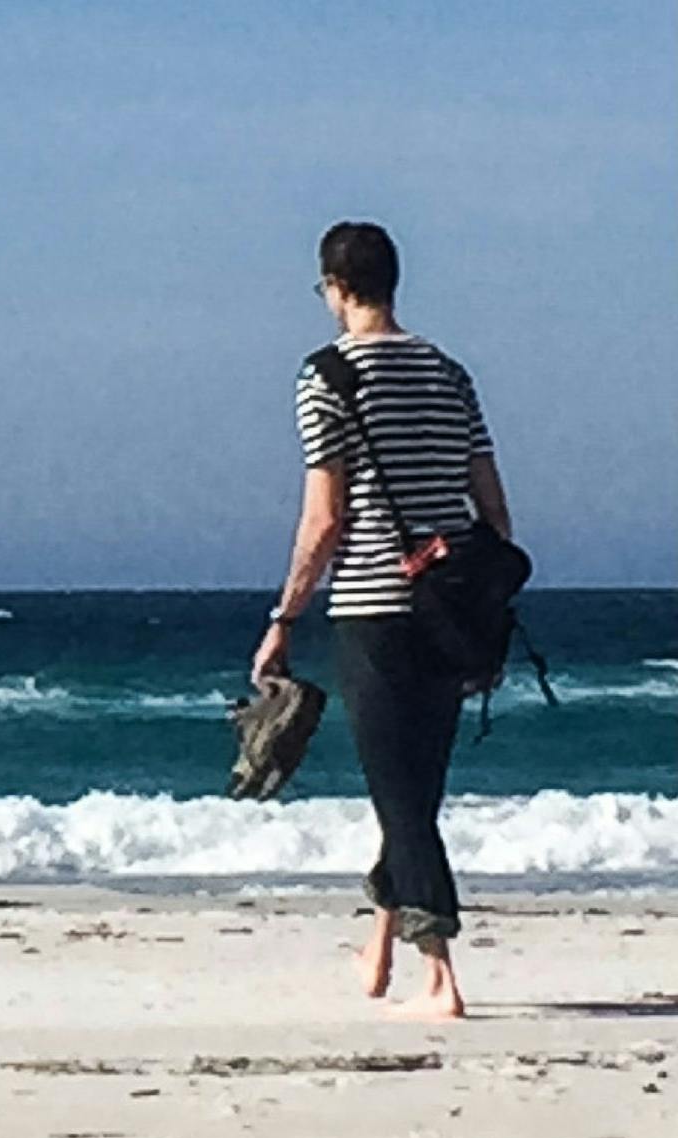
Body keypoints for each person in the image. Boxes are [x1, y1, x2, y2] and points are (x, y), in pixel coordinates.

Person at [251, 221, 513, 1020]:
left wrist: (283, 616)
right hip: (454, 605)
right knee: (412, 789)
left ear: (335, 287)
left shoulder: (325, 376)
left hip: (373, 607)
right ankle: (381, 939)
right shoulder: (448, 373)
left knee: (397, 797)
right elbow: (492, 510)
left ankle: (440, 975)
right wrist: (486, 604)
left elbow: (322, 520)